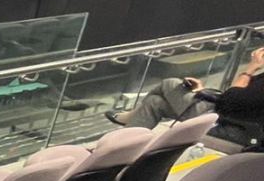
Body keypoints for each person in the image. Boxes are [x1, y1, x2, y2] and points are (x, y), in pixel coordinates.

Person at [108, 47, 264, 138]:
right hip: (224, 113)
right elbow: (240, 97)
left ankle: (130, 119)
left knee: (169, 83)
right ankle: (121, 147)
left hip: (223, 122)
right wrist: (203, 90)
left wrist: (251, 68)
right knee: (155, 103)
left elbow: (231, 100)